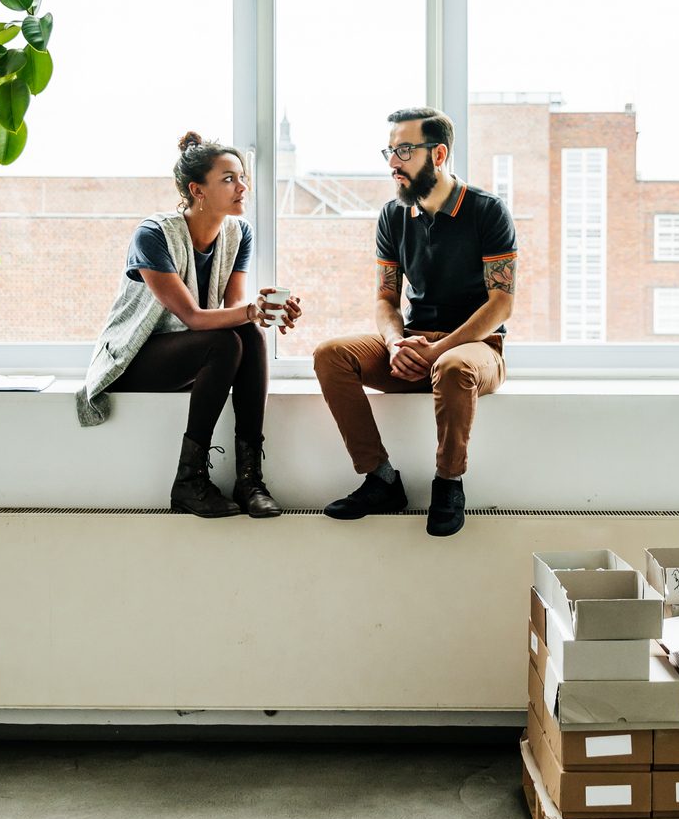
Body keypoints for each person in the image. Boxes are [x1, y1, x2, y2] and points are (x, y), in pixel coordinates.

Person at [312, 107, 515, 538]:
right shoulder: (392, 216)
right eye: (389, 150)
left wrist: (436, 351)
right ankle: (381, 479)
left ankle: (448, 483)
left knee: (453, 367)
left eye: (404, 150)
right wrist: (393, 344)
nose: (392, 163)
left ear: (438, 154)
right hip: (413, 346)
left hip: (476, 349)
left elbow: (500, 305)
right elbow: (386, 298)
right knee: (330, 355)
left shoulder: (487, 211)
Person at [78, 133, 302, 519]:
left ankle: (249, 479)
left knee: (247, 335)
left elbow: (233, 311)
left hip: (193, 352)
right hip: (135, 356)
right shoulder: (152, 235)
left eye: (242, 177)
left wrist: (264, 311)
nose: (242, 186)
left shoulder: (238, 233)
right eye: (229, 179)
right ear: (197, 190)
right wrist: (251, 311)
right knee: (228, 344)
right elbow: (194, 318)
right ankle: (189, 480)